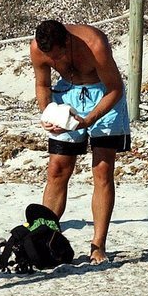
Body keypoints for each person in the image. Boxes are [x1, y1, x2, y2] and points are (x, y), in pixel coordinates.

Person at [30, 19, 131, 265]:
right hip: (67, 95)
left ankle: (98, 246)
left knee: (102, 169)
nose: (55, 61)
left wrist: (88, 120)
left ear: (67, 41)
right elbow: (43, 84)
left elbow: (115, 88)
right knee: (57, 169)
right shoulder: (37, 48)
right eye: (50, 58)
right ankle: (47, 240)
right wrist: (48, 113)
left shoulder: (94, 43)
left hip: (104, 95)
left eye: (59, 55)